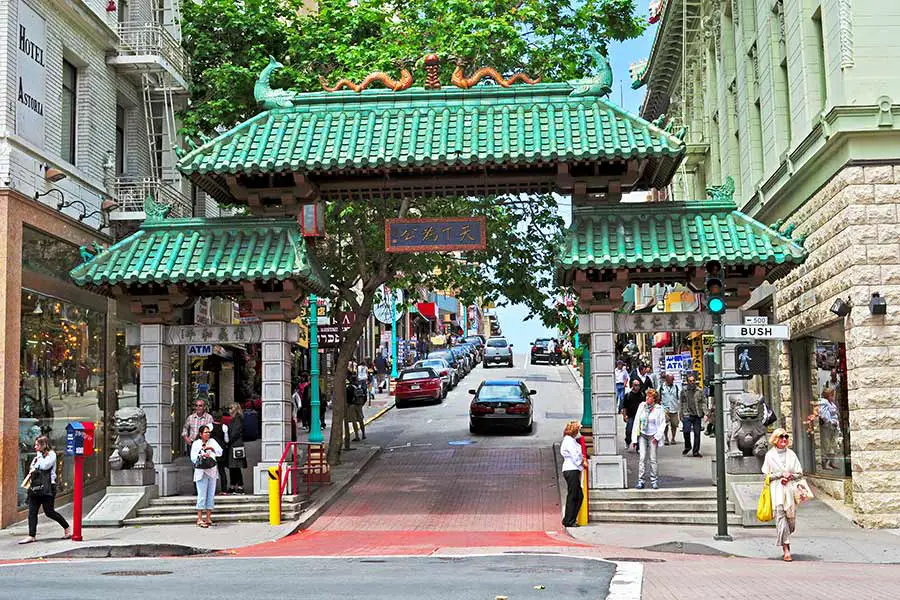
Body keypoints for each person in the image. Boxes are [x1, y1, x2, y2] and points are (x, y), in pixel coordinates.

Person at [762, 428, 803, 561]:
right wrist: (780, 475)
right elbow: (766, 475)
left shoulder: (791, 454)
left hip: (790, 491)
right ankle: (786, 549)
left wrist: (790, 476)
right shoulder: (770, 455)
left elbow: (799, 473)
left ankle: (786, 536)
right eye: (781, 437)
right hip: (777, 491)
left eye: (786, 437)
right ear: (775, 439)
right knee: (780, 517)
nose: (784, 439)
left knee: (791, 521)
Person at [19, 436, 69, 544]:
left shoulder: (51, 455)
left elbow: (45, 466)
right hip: (35, 487)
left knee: (49, 512)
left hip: (48, 487)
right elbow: (33, 468)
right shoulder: (38, 457)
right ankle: (31, 535)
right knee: (32, 512)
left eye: (37, 445)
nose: (35, 447)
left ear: (43, 445)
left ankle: (66, 528)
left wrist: (39, 457)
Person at [632, 389, 667, 489]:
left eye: (650, 397)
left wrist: (657, 437)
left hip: (653, 436)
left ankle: (654, 480)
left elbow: (662, 423)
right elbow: (636, 421)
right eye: (647, 396)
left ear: (654, 399)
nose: (647, 398)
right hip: (643, 434)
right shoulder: (642, 406)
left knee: (653, 458)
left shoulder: (659, 409)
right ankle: (640, 480)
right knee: (642, 458)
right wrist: (634, 439)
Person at [191, 425, 223, 528]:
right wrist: (202, 455)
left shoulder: (213, 442)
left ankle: (208, 517)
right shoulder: (196, 443)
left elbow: (220, 452)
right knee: (201, 495)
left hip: (212, 471)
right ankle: (200, 518)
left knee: (210, 495)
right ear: (200, 434)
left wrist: (211, 449)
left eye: (209, 432)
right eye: (205, 432)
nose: (208, 434)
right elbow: (193, 458)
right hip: (201, 472)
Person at [560, 421, 584, 527]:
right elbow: (575, 456)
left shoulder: (569, 440)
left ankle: (570, 518)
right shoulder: (569, 441)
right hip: (572, 469)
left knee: (577, 495)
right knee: (574, 495)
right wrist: (582, 463)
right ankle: (569, 520)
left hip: (571, 469)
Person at [680, 374, 705, 457]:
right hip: (687, 414)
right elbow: (681, 403)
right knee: (686, 431)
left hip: (697, 414)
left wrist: (706, 413)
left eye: (693, 381)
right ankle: (688, 446)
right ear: (687, 382)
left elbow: (703, 402)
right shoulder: (683, 391)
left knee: (697, 433)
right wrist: (681, 414)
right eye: (690, 381)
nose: (692, 382)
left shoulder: (699, 391)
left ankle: (696, 451)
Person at [818, 388, 840, 470]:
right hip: (827, 427)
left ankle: (831, 462)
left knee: (833, 445)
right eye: (832, 394)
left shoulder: (831, 403)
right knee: (826, 445)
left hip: (833, 427)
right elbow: (824, 415)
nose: (833, 396)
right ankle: (825, 463)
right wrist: (830, 422)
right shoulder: (823, 402)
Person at [227, 403, 247, 494]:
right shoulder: (235, 419)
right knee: (233, 467)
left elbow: (235, 433)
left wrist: (228, 441)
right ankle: (233, 485)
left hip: (236, 445)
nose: (229, 410)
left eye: (231, 408)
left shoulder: (237, 419)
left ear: (235, 409)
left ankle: (239, 486)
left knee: (236, 466)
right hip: (234, 445)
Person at [621, 379, 644, 450]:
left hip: (639, 417)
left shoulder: (642, 395)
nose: (637, 387)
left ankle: (638, 447)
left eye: (638, 385)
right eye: (636, 385)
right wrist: (625, 416)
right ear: (632, 386)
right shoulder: (628, 395)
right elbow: (624, 407)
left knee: (639, 432)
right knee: (629, 430)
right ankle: (628, 441)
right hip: (630, 416)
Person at [210, 410, 229, 493]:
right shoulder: (224, 427)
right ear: (221, 418)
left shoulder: (209, 426)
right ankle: (224, 489)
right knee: (222, 470)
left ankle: (211, 489)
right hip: (221, 450)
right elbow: (227, 440)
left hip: (211, 450)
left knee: (211, 470)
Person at [658, 374, 680, 445]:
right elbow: (657, 396)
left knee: (674, 424)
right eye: (671, 379)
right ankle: (666, 438)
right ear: (667, 379)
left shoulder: (676, 387)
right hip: (665, 408)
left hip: (674, 408)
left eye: (673, 379)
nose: (672, 381)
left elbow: (680, 396)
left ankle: (673, 438)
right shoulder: (661, 387)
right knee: (665, 424)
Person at [346, 375, 366, 441]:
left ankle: (357, 436)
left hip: (352, 405)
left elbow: (347, 398)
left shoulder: (349, 388)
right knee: (361, 420)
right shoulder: (360, 387)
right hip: (359, 405)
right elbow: (365, 397)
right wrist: (361, 404)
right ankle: (363, 434)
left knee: (354, 421)